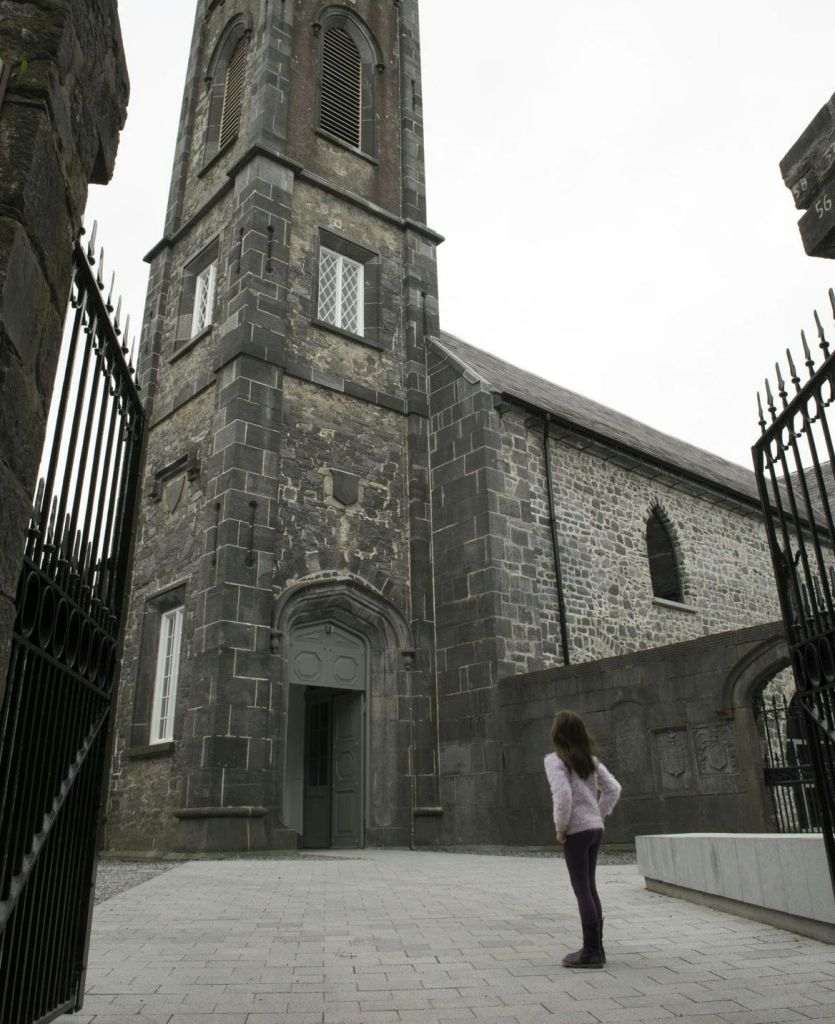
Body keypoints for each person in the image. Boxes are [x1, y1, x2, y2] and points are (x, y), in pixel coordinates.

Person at [544, 711, 622, 969]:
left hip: (577, 832)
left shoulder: (555, 761)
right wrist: (596, 816)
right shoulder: (591, 760)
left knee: (582, 890)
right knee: (590, 887)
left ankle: (591, 952)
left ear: (557, 734)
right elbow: (614, 789)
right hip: (595, 830)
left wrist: (561, 827)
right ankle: (597, 947)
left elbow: (563, 795)